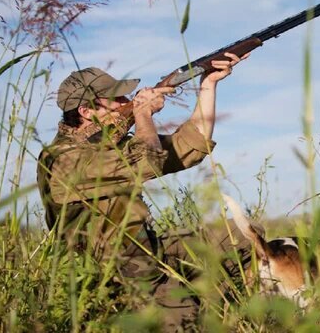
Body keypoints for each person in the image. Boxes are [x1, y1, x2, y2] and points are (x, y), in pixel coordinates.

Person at [36, 53, 251, 331]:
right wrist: (142, 115)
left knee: (244, 235)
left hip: (146, 249)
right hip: (111, 270)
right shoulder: (64, 159)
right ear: (87, 112)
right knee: (184, 322)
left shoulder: (109, 146)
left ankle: (216, 304)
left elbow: (191, 147)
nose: (127, 102)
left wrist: (207, 84)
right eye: (118, 99)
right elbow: (146, 162)